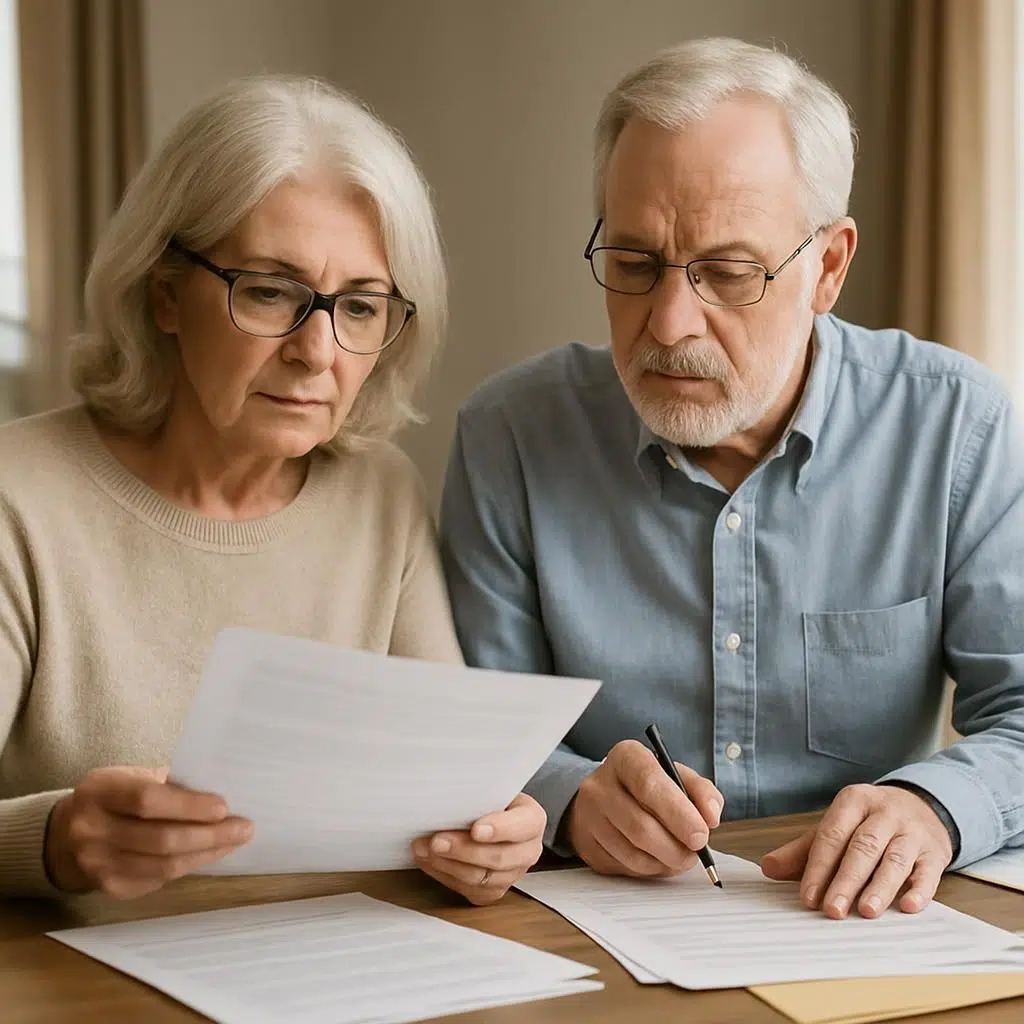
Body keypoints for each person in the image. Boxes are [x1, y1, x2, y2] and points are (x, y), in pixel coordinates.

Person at [440, 37, 1024, 920]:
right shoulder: (511, 436)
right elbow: (476, 731)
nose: (669, 323)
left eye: (728, 272)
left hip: (855, 936)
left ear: (827, 266)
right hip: (591, 934)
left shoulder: (957, 428)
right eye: (635, 264)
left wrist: (935, 808)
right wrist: (571, 797)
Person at [0, 75, 544, 904]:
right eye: (270, 292)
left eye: (359, 307)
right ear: (165, 292)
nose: (317, 352)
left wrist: (495, 844)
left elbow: (458, 801)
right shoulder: (20, 496)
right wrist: (53, 843)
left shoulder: (380, 495)